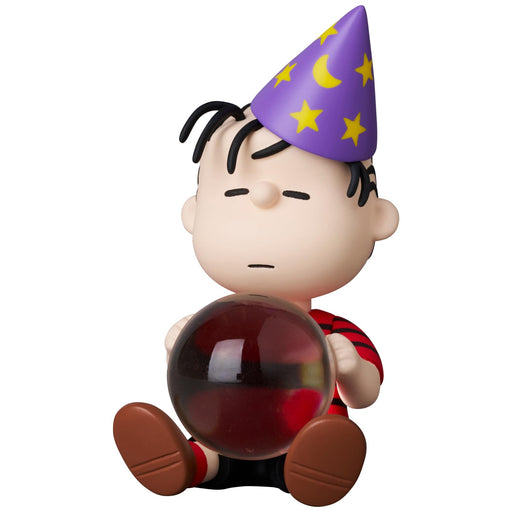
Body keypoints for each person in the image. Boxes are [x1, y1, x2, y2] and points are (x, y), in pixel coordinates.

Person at [113, 6, 399, 507]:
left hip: (303, 436)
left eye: (298, 198)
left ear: (377, 219)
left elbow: (367, 394)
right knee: (211, 443)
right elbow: (192, 372)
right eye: (233, 196)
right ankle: (191, 462)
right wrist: (182, 344)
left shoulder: (333, 331)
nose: (263, 203)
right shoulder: (217, 324)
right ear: (193, 213)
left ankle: (313, 468)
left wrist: (350, 368)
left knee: (319, 435)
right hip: (223, 431)